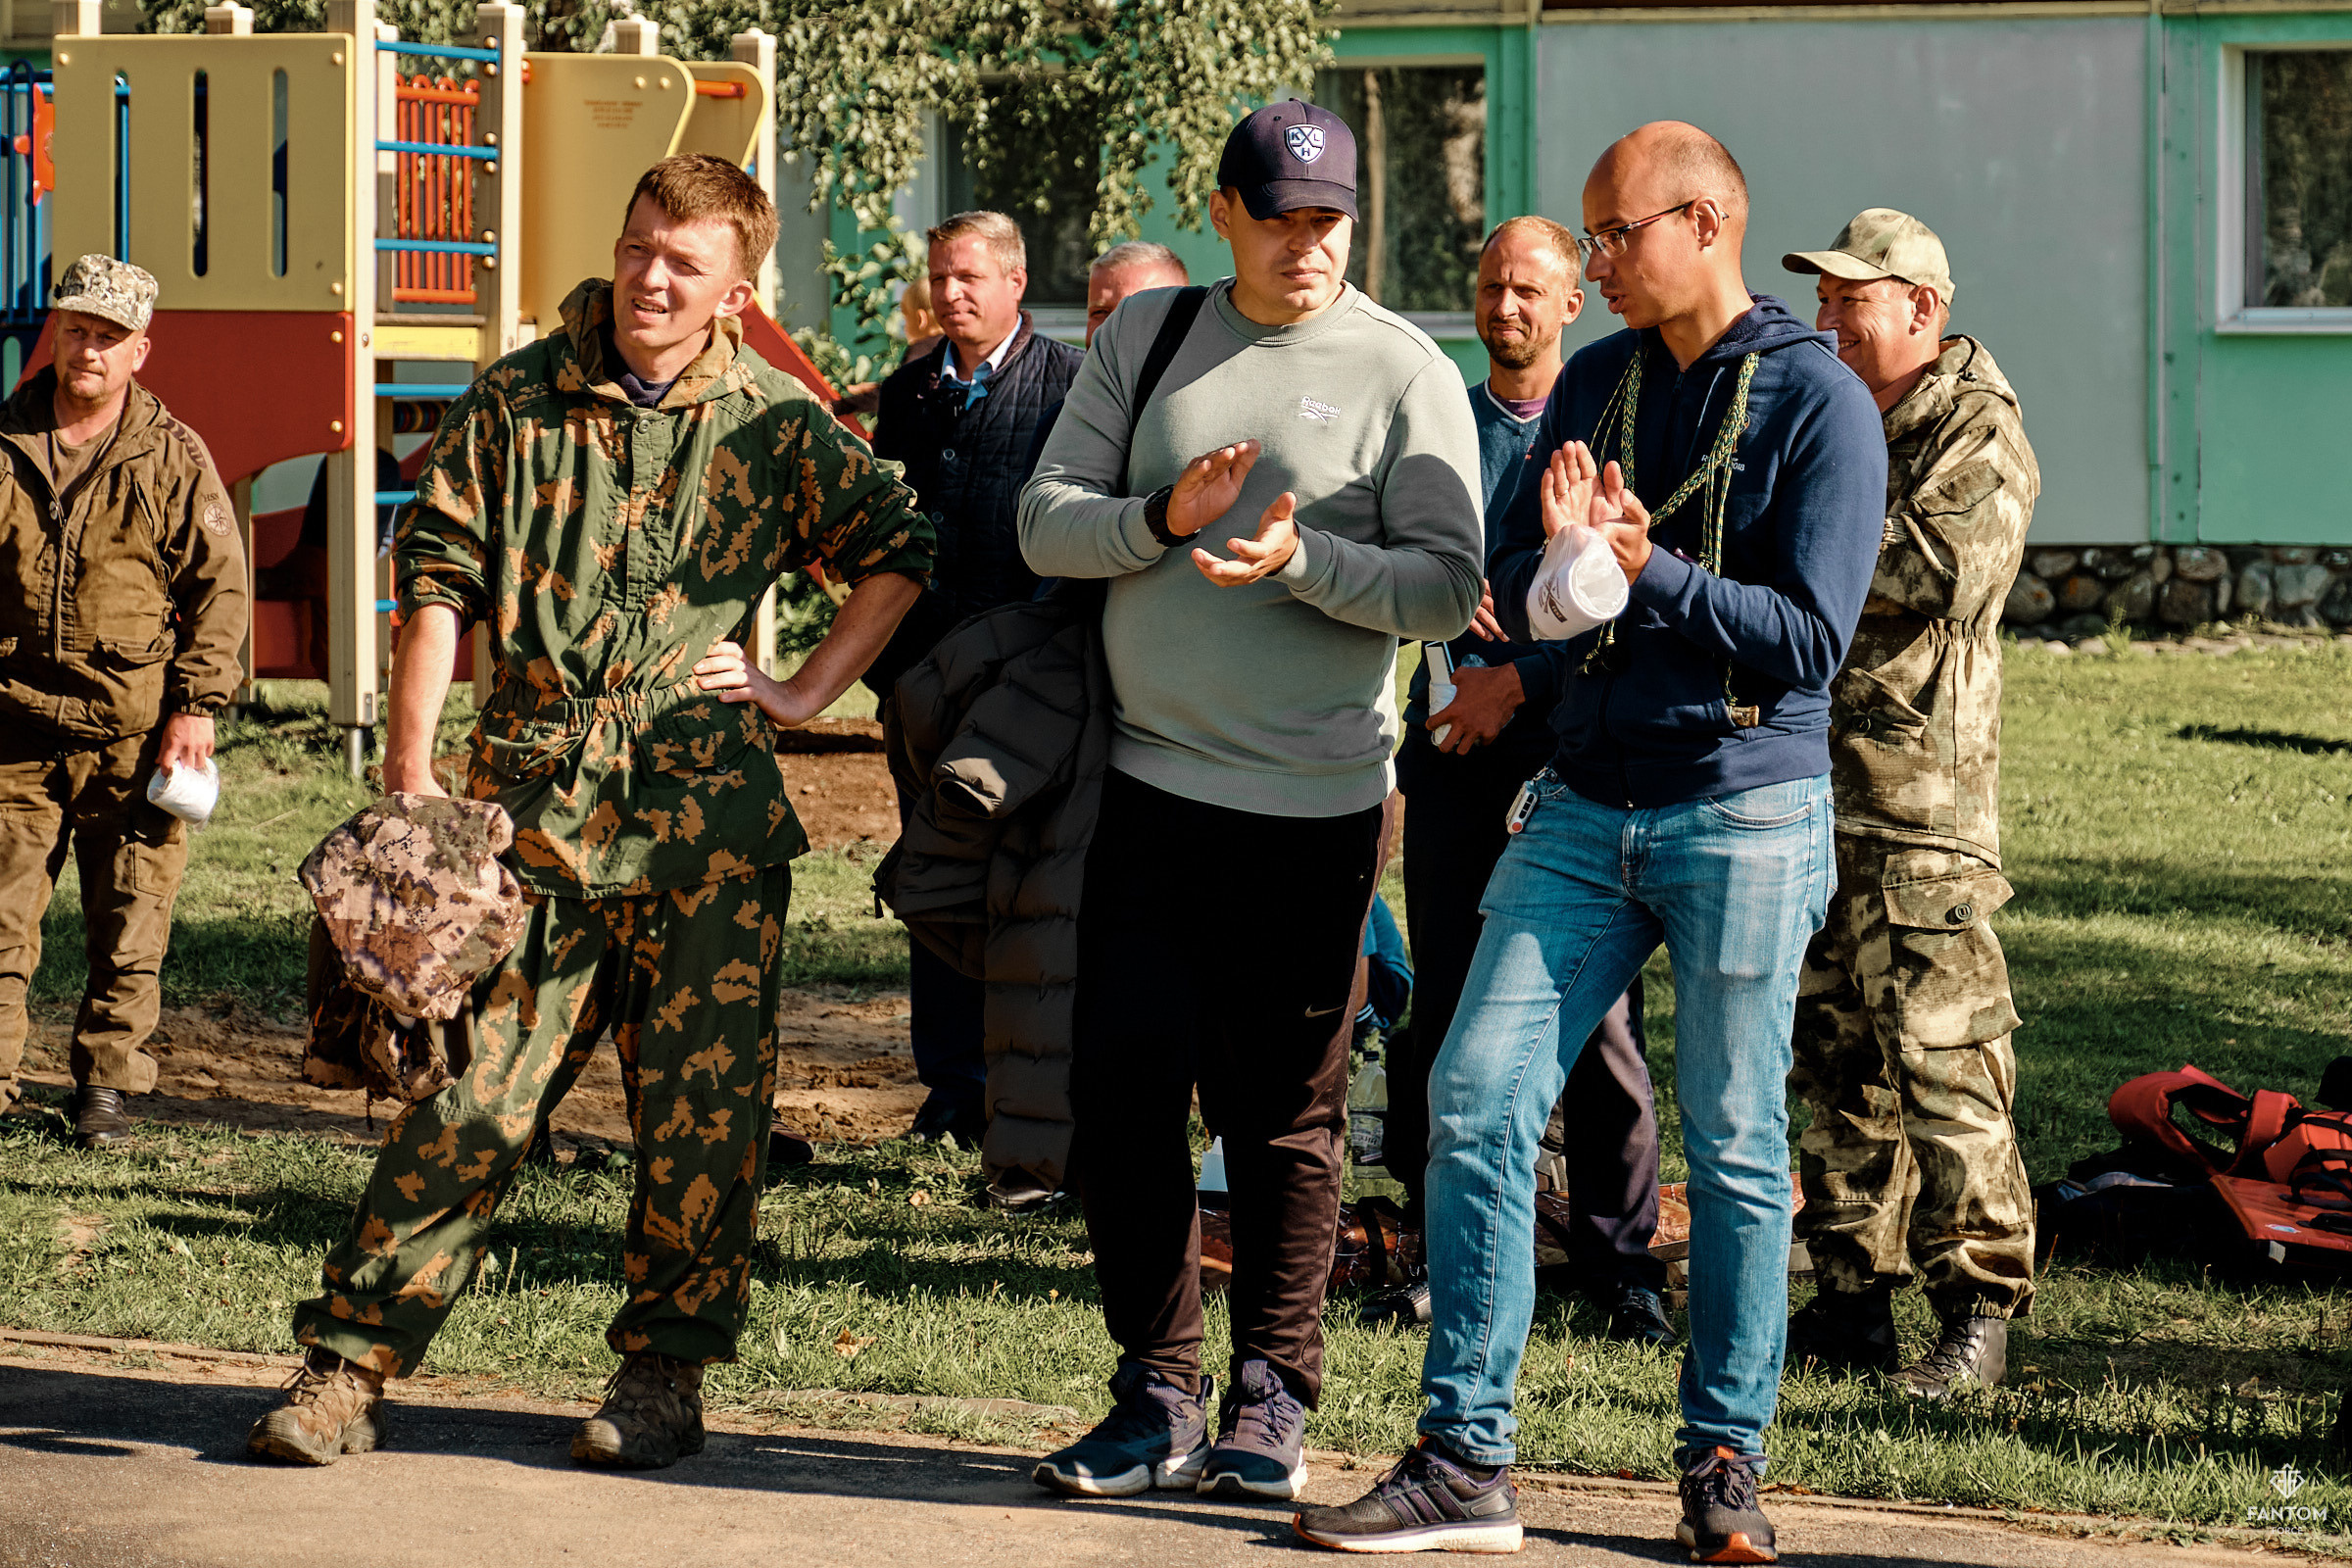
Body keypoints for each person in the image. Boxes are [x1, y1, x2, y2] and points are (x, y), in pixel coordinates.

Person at [243, 154, 933, 1473]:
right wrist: (412, 767)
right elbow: (436, 573)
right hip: (531, 837)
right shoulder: (517, 398)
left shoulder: (776, 422)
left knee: (701, 1132)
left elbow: (900, 548)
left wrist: (799, 689)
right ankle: (344, 1372)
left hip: (711, 845)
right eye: (637, 250)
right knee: (464, 1111)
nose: (650, 279)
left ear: (738, 287)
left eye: (683, 263)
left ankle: (663, 1381)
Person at [1298, 122, 1886, 1560]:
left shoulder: (1820, 404)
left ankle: (1723, 1463)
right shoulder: (1603, 383)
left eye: (1614, 236)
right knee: (1475, 1095)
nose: (1596, 262)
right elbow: (1526, 588)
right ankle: (1463, 1461)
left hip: (1743, 805)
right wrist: (1559, 590)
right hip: (1581, 808)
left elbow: (1809, 638)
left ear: (1704, 220)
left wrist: (1644, 572)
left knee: (1737, 1146)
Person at [1018, 98, 1481, 1503]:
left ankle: (1270, 1397)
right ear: (1224, 210)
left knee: (1287, 1114)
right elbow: (1044, 523)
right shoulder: (1143, 341)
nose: (1307, 243)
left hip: (1317, 809)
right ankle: (1155, 1390)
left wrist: (1301, 565)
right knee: (1124, 1096)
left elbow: (1450, 586)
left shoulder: (1408, 372)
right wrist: (1157, 522)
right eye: (1279, 216)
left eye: (1330, 218)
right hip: (1148, 793)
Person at [1375, 216, 1671, 1347]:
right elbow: (1395, 553)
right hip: (1451, 749)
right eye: (1494, 288)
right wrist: (1445, 600)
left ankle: (1619, 1259)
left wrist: (1529, 676)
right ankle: (1432, 1240)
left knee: (1596, 1012)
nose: (1508, 307)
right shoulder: (1436, 417)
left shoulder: (1606, 421)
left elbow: (1625, 594)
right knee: (1446, 1001)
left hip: (1576, 752)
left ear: (1569, 304)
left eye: (1531, 291)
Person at [1780, 209, 2038, 1399]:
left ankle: (1977, 1312)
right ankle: (1848, 1299)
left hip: (1918, 807)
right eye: (1822, 301)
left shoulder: (1979, 432)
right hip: (1810, 794)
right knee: (1832, 1059)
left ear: (1921, 310)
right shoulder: (1841, 414)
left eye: (1852, 301)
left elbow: (1920, 572)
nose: (1828, 320)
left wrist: (1798, 542)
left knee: (1944, 1060)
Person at [0, 255, 248, 1151]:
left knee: (131, 920)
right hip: (13, 728)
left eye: (109, 337)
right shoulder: (2, 441)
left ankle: (105, 1090)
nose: (88, 351)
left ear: (141, 349)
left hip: (132, 731)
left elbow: (222, 589)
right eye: (76, 330)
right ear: (54, 335)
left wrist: (198, 706)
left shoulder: (174, 457)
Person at [867, 210, 1085, 1151]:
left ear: (1014, 281)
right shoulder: (908, 391)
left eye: (969, 278)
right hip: (922, 690)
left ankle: (1032, 1097)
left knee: (1029, 890)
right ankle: (951, 1085)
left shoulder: (1074, 385)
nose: (951, 294)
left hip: (1029, 695)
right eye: (940, 277)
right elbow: (880, 534)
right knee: (935, 878)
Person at [1023, 241, 1192, 478]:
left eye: (1130, 311)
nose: (1109, 329)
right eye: (1099, 313)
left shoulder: (1210, 418)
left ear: (1181, 319)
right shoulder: (1060, 424)